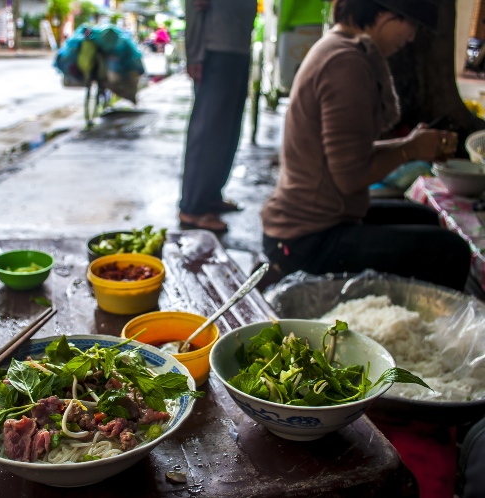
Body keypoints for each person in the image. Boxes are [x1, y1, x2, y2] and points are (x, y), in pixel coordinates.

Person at [260, 0, 472, 291]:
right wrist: (410, 150)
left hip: (320, 218)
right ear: (386, 17)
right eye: (411, 26)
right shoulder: (345, 63)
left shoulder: (341, 48)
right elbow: (351, 177)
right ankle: (423, 327)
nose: (410, 38)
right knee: (451, 251)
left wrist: (411, 144)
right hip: (306, 238)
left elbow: (353, 150)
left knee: (427, 217)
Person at [178, 0, 258, 232]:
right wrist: (194, 54)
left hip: (238, 46)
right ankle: (192, 207)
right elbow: (194, 7)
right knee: (208, 130)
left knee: (228, 129)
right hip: (215, 49)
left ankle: (211, 195)